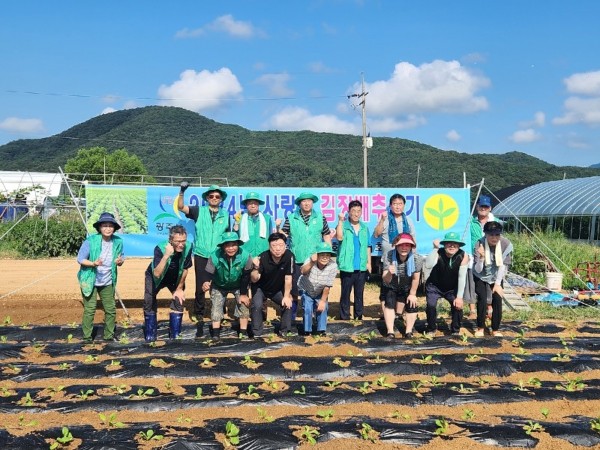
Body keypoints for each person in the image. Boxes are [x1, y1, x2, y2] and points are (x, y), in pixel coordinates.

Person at [178, 183, 229, 338]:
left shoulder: (225, 215)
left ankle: (220, 312)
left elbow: (228, 236)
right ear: (207, 198)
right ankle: (199, 313)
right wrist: (181, 192)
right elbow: (181, 207)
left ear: (221, 199)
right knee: (201, 286)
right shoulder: (198, 211)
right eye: (211, 196)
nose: (214, 198)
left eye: (217, 196)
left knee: (220, 284)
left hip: (219, 255)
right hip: (201, 254)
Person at [280, 192, 331, 319]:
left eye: (309, 201)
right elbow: (283, 235)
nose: (307, 203)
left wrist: (328, 252)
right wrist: (277, 228)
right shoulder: (291, 218)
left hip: (315, 261)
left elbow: (326, 235)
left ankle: (313, 316)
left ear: (312, 203)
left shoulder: (320, 217)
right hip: (297, 258)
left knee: (315, 288)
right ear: (299, 204)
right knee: (294, 289)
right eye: (303, 201)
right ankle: (291, 316)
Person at [76, 212, 125, 343]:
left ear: (114, 228)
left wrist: (120, 261)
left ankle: (108, 336)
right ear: (99, 228)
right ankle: (87, 337)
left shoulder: (118, 242)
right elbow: (80, 259)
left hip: (108, 280)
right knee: (90, 309)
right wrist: (93, 263)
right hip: (90, 279)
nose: (108, 228)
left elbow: (121, 257)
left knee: (110, 309)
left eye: (110, 226)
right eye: (105, 226)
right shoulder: (91, 241)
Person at [142, 225, 193, 342]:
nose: (181, 244)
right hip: (156, 277)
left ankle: (175, 335)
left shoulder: (189, 246)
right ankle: (151, 335)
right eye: (178, 241)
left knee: (179, 300)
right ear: (170, 240)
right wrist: (166, 256)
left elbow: (185, 269)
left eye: (183, 241)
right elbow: (156, 274)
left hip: (175, 278)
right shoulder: (160, 248)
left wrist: (179, 288)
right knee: (149, 300)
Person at [204, 232, 253, 340]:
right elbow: (208, 273)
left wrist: (244, 294)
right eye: (227, 245)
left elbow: (246, 276)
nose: (231, 248)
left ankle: (243, 332)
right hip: (219, 285)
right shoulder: (214, 256)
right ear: (223, 246)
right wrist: (206, 282)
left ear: (238, 245)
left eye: (234, 245)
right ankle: (216, 334)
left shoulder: (246, 256)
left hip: (239, 284)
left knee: (243, 304)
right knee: (216, 306)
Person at [374, 194, 416, 315]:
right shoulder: (385, 219)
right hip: (389, 258)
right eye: (395, 204)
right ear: (390, 205)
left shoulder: (408, 220)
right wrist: (382, 219)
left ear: (404, 205)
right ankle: (384, 313)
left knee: (403, 286)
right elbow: (377, 234)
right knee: (386, 285)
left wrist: (413, 255)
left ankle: (399, 313)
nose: (397, 206)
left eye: (400, 204)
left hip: (405, 259)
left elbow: (413, 238)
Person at [424, 232, 469, 336]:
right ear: (444, 244)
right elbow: (428, 264)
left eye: (455, 243)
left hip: (451, 288)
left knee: (458, 305)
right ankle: (431, 329)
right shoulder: (438, 252)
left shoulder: (463, 255)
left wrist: (459, 297)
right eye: (449, 243)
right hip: (434, 286)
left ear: (459, 246)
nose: (452, 246)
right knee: (431, 305)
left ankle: (455, 330)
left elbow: (462, 277)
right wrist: (435, 248)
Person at [472, 221, 513, 337]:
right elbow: (478, 270)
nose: (494, 238)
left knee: (497, 298)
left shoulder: (505, 244)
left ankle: (495, 329)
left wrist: (498, 284)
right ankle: (480, 327)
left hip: (497, 275)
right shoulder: (479, 244)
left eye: (497, 235)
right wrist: (481, 258)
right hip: (480, 275)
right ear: (485, 234)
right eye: (491, 235)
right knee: (482, 299)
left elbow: (503, 266)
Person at [250, 232, 295, 337]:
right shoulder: (263, 257)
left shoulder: (289, 256)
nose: (277, 249)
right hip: (260, 288)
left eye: (281, 245)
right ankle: (257, 333)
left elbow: (288, 278)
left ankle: (285, 331)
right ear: (269, 246)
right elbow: (254, 279)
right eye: (274, 246)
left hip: (277, 289)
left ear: (285, 246)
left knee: (287, 303)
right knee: (257, 306)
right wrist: (256, 268)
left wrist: (287, 296)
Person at [381, 233, 422, 338]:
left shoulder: (417, 258)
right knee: (389, 302)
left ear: (411, 247)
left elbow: (416, 278)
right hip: (391, 283)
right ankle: (390, 331)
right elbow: (385, 278)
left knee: (411, 304)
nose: (404, 248)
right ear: (396, 245)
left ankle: (408, 331)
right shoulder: (389, 255)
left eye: (407, 245)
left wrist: (412, 294)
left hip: (407, 284)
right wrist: (390, 272)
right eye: (401, 245)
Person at [335, 200, 371, 320]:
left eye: (359, 211)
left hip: (361, 266)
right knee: (345, 293)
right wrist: (340, 220)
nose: (356, 214)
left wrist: (369, 263)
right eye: (353, 211)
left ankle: (358, 317)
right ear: (349, 212)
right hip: (347, 266)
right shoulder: (343, 225)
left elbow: (367, 246)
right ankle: (344, 317)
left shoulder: (364, 228)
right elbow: (339, 237)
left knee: (359, 294)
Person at [465, 194, 499, 319]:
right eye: (481, 206)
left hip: (491, 256)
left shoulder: (495, 222)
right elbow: (467, 237)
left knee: (490, 280)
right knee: (473, 283)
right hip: (474, 255)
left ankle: (489, 307)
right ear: (477, 207)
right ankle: (473, 309)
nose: (483, 208)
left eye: (486, 206)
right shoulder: (470, 221)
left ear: (490, 208)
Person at [298, 242, 338, 335]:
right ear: (317, 255)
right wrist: (312, 262)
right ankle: (307, 331)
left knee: (323, 307)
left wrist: (323, 301)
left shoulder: (333, 266)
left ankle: (321, 330)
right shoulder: (310, 260)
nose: (325, 257)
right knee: (307, 308)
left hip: (321, 289)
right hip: (307, 287)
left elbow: (327, 286)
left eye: (327, 255)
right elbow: (303, 272)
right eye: (322, 255)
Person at [233, 191, 279, 257]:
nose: (253, 206)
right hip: (245, 255)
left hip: (264, 254)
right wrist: (236, 222)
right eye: (250, 203)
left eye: (255, 203)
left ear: (258, 205)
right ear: (246, 205)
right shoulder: (240, 217)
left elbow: (271, 237)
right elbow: (234, 237)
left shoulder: (267, 218)